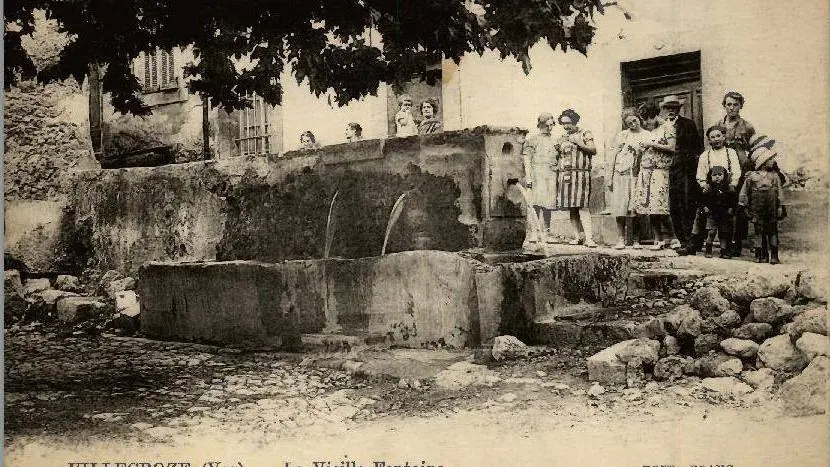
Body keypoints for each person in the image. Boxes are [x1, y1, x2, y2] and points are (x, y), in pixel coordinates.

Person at [660, 95, 703, 255]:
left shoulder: (687, 124)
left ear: (678, 109)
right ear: (664, 110)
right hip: (665, 172)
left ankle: (690, 243)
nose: (671, 111)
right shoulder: (660, 127)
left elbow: (697, 148)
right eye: (668, 108)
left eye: (674, 108)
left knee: (686, 205)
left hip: (684, 171)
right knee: (673, 207)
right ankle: (682, 240)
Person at [631, 103, 676, 250]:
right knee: (649, 206)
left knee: (660, 205)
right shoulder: (653, 130)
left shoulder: (667, 127)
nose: (646, 123)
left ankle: (673, 238)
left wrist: (652, 144)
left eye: (647, 119)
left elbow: (671, 147)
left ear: (654, 116)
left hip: (660, 169)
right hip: (647, 170)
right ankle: (659, 239)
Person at [719, 91, 756, 257]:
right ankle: (724, 242)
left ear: (740, 106)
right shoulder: (718, 125)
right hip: (723, 172)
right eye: (728, 104)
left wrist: (751, 170)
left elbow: (753, 149)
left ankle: (738, 243)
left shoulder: (747, 126)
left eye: (735, 104)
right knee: (724, 206)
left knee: (740, 208)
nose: (731, 108)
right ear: (724, 106)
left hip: (741, 171)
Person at [607, 107, 650, 249]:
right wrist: (610, 177)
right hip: (621, 174)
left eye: (634, 120)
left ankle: (636, 239)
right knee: (620, 207)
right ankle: (621, 238)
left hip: (638, 174)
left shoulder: (647, 135)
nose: (633, 124)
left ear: (639, 118)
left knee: (635, 207)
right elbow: (613, 156)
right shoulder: (622, 135)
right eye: (629, 122)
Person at [739, 140, 787, 264]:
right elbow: (744, 191)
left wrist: (781, 206)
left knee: (772, 230)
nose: (773, 161)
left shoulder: (774, 176)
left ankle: (774, 255)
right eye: (770, 159)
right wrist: (743, 204)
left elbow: (780, 191)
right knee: (759, 230)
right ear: (763, 161)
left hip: (771, 207)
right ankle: (761, 254)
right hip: (757, 207)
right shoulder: (751, 177)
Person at [555, 109, 597, 247]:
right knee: (571, 207)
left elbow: (593, 150)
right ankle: (577, 236)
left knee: (582, 206)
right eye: (563, 124)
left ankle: (589, 238)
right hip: (565, 175)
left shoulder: (585, 133)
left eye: (568, 123)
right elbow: (558, 156)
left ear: (575, 121)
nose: (566, 126)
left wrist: (579, 143)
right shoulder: (562, 137)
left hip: (581, 174)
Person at [522, 112, 559, 244]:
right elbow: (527, 159)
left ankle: (547, 232)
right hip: (537, 173)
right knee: (536, 204)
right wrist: (529, 177)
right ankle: (534, 232)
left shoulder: (555, 140)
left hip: (551, 174)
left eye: (551, 125)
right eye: (547, 125)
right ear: (541, 125)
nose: (549, 128)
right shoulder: (533, 140)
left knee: (548, 204)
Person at [699, 166, 737, 258]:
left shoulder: (728, 187)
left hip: (724, 214)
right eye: (714, 175)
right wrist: (704, 207)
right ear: (710, 176)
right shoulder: (708, 187)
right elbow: (702, 199)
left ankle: (723, 251)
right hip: (712, 213)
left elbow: (733, 199)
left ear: (724, 176)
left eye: (720, 175)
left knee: (723, 233)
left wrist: (731, 208)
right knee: (712, 232)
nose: (717, 177)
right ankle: (708, 249)